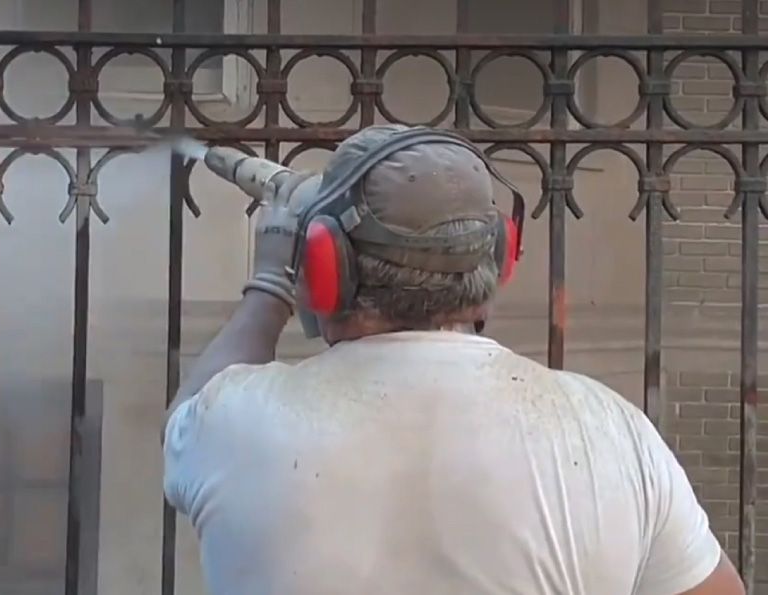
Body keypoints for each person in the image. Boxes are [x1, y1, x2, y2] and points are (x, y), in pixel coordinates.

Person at [161, 125, 744, 595]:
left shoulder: (232, 421)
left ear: (323, 266)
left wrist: (269, 284)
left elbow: (189, 412)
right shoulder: (610, 431)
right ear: (501, 256)